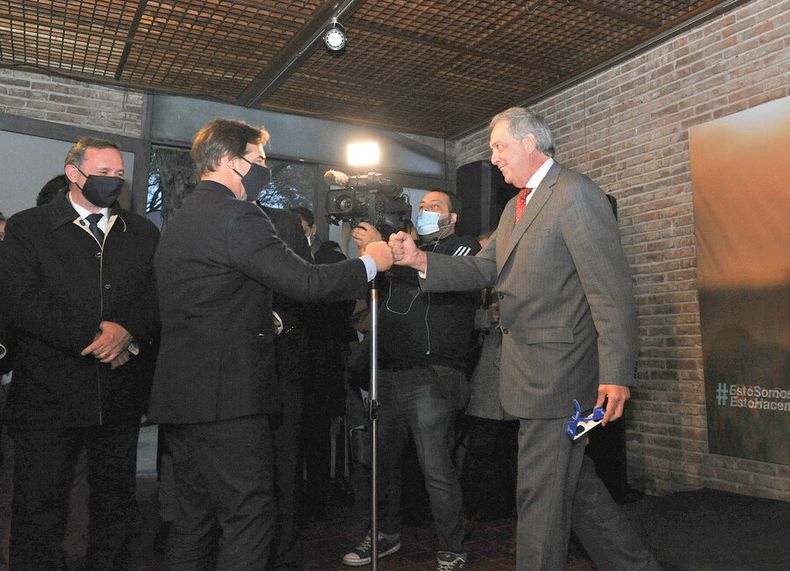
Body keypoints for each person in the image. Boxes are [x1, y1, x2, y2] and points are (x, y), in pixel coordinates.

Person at [389, 107, 659, 571]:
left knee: (539, 495)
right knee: (572, 485)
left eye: (499, 146)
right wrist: (419, 261)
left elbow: (611, 292)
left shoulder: (576, 194)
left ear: (530, 143)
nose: (494, 157)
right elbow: (483, 267)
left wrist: (616, 373)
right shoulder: (516, 207)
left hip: (562, 377)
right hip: (529, 374)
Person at [147, 118, 392, 569]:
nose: (265, 169)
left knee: (193, 521)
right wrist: (370, 263)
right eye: (258, 160)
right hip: (229, 399)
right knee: (249, 516)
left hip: (182, 396)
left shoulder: (181, 219)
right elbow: (305, 281)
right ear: (227, 159)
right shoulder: (238, 215)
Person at [0, 136, 160, 570]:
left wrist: (127, 332)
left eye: (119, 175)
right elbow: (22, 299)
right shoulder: (29, 227)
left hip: (118, 396)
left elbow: (154, 296)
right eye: (103, 173)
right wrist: (97, 338)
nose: (113, 181)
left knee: (115, 506)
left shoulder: (142, 232)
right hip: (48, 397)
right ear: (74, 173)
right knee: (39, 507)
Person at [344, 190, 480, 570]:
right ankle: (385, 534)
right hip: (387, 373)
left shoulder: (463, 249)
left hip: (432, 375)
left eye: (435, 206)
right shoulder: (403, 251)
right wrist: (374, 255)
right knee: (381, 463)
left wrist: (387, 253)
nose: (425, 211)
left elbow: (436, 274)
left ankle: (452, 549)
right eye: (422, 206)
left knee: (436, 468)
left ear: (453, 217)